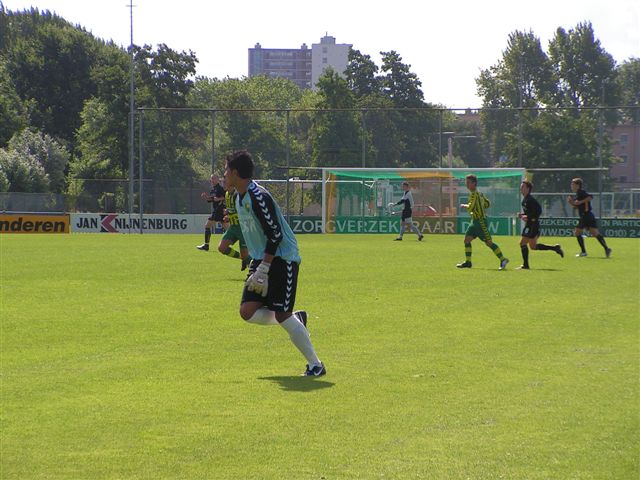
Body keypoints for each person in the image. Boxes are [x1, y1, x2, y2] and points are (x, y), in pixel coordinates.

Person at [224, 150, 326, 377]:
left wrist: (264, 268)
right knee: (247, 311)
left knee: (281, 314)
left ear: (235, 173)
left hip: (282, 258)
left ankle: (316, 365)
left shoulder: (258, 196)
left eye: (226, 171)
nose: (224, 175)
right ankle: (296, 319)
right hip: (263, 258)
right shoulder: (238, 197)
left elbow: (276, 234)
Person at [456, 174, 509, 270]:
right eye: (466, 182)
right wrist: (480, 206)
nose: (466, 184)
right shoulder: (479, 194)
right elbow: (487, 204)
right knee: (467, 240)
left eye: (468, 183)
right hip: (475, 221)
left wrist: (464, 205)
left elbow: (471, 207)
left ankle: (503, 259)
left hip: (480, 222)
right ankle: (468, 262)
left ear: (474, 183)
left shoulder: (474, 195)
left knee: (489, 242)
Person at [517, 180, 564, 269]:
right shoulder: (525, 200)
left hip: (533, 225)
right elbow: (531, 212)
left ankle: (525, 265)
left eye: (523, 187)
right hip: (530, 225)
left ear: (528, 189)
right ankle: (555, 248)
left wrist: (528, 217)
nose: (521, 188)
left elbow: (538, 211)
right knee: (533, 247)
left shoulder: (530, 200)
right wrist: (523, 215)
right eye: (520, 187)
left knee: (523, 243)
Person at [568, 177, 612, 258]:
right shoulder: (578, 194)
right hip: (589, 215)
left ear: (578, 185)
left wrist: (578, 202)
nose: (571, 186)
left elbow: (590, 197)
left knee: (577, 232)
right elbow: (578, 206)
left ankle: (584, 252)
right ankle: (607, 248)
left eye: (573, 184)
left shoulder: (581, 192)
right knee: (595, 233)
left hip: (585, 216)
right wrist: (572, 203)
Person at [218, 186, 252, 271]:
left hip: (243, 228)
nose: (223, 184)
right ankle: (242, 258)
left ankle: (258, 271)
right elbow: (233, 210)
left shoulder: (237, 194)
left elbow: (245, 211)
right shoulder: (226, 194)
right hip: (233, 227)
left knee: (246, 256)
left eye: (225, 181)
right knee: (222, 248)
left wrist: (229, 217)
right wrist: (228, 212)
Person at [196, 174, 225, 251]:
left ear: (217, 179)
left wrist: (218, 199)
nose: (212, 180)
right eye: (211, 179)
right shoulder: (213, 189)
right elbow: (211, 200)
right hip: (218, 210)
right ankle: (243, 241)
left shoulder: (220, 188)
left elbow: (224, 197)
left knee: (207, 226)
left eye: (213, 179)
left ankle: (206, 245)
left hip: (219, 210)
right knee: (228, 228)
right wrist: (206, 197)